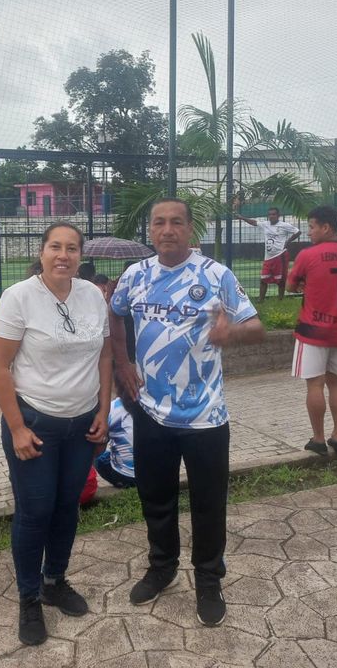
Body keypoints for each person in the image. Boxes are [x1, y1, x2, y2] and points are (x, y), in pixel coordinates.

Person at [110, 198, 265, 628]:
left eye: (176, 222)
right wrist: (122, 363)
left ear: (190, 228)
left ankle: (209, 580)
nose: (167, 230)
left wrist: (231, 333)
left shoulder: (216, 275)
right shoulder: (135, 275)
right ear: (150, 230)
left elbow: (257, 328)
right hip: (151, 413)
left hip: (206, 418)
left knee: (208, 504)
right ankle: (162, 567)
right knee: (155, 497)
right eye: (159, 222)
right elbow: (114, 315)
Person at [0, 220, 112, 646]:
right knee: (35, 510)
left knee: (66, 506)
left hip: (82, 425)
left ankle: (54, 581)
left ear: (81, 255)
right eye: (55, 247)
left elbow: (105, 357)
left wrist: (104, 410)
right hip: (35, 424)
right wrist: (17, 427)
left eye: (72, 248)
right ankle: (29, 599)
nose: (63, 255)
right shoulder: (19, 297)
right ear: (41, 252)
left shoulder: (92, 294)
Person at [286, 205, 337, 457]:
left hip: (312, 331)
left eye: (311, 227)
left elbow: (290, 285)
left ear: (326, 227)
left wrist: (302, 284)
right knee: (336, 383)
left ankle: (318, 439)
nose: (309, 232)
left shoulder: (308, 255)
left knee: (315, 385)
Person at [235, 206, 300, 300]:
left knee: (280, 280)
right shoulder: (265, 224)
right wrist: (242, 218)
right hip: (268, 257)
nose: (271, 216)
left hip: (280, 256)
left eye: (273, 214)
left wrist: (288, 241)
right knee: (263, 279)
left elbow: (298, 232)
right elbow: (253, 222)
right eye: (269, 214)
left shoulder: (284, 225)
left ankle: (280, 299)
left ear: (278, 215)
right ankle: (260, 300)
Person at [94, 392, 136, 489]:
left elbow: (98, 448)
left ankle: (121, 482)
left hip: (125, 476)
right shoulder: (153, 406)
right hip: (152, 474)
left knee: (100, 458)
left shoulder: (112, 407)